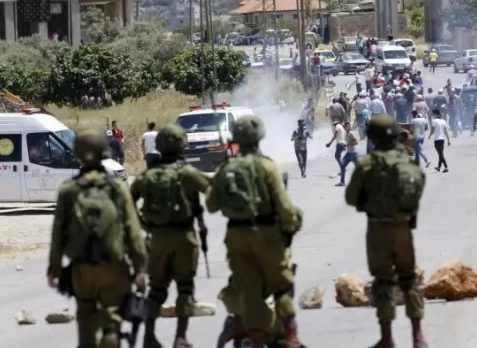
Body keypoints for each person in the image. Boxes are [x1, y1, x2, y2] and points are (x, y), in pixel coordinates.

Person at [205, 115, 305, 347]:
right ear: (259, 139)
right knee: (282, 287)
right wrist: (289, 229)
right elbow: (286, 208)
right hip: (267, 234)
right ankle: (291, 337)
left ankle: (256, 341)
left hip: (236, 237)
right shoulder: (267, 166)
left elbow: (211, 205)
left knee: (250, 294)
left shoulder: (226, 168)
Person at [47, 128, 147, 348]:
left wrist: (54, 269)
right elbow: (132, 229)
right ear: (105, 151)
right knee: (111, 322)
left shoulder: (68, 190)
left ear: (77, 153)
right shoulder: (117, 188)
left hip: (81, 270)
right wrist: (140, 267)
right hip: (113, 266)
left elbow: (57, 234)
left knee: (85, 319)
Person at [344, 114, 428, 348]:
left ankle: (387, 338)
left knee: (383, 282)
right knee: (409, 279)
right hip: (403, 226)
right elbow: (419, 186)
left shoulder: (367, 164)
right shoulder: (407, 160)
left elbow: (351, 198)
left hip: (378, 227)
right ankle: (418, 336)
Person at [130, 124, 211, 348]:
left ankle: (149, 335)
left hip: (156, 239)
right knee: (185, 288)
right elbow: (212, 193)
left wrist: (143, 223)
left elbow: (127, 201)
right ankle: (180, 337)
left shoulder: (148, 175)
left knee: (157, 288)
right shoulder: (187, 173)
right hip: (183, 236)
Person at [336, 122, 359, 187]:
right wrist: (344, 147)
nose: (347, 127)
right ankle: (342, 182)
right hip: (348, 154)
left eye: (348, 126)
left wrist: (347, 145)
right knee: (343, 167)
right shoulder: (346, 134)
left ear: (350, 127)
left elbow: (356, 142)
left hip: (354, 154)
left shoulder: (351, 133)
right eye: (345, 127)